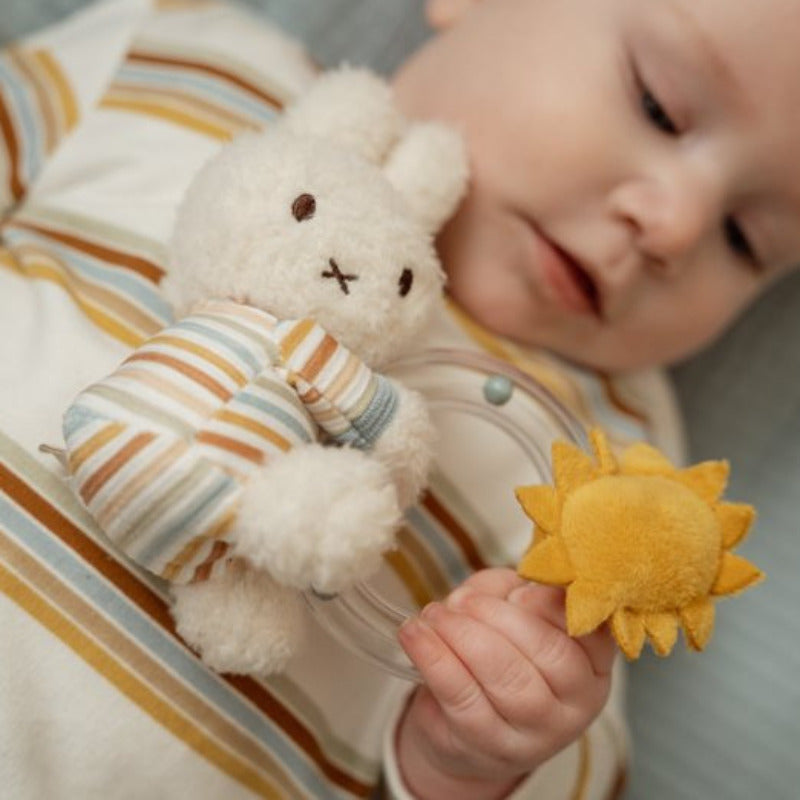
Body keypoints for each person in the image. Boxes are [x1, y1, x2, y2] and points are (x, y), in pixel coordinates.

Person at [0, 0, 797, 799]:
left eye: (744, 239)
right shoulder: (185, 62)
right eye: (657, 104)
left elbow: (587, 774)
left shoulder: (615, 460)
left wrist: (486, 753)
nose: (676, 226)